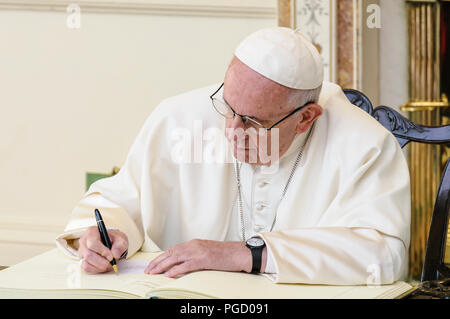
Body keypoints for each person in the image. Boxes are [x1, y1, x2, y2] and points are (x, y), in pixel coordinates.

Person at [56, 27, 410, 285]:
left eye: (255, 121)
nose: (232, 130)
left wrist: (249, 254)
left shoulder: (363, 144)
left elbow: (384, 254)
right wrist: (110, 234)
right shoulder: (179, 118)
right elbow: (117, 200)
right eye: (228, 106)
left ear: (305, 118)